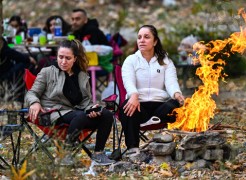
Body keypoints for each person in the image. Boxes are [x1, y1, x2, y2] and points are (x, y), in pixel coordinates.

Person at [25, 39, 115, 166]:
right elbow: (31, 93)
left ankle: (99, 153)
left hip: (75, 114)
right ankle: (66, 153)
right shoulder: (47, 72)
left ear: (75, 59)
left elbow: (86, 101)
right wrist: (35, 102)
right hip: (53, 112)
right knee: (80, 116)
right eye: (60, 57)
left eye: (68, 58)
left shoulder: (82, 75)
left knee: (106, 115)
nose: (63, 61)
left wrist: (92, 108)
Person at [119, 25, 185, 157]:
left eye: (146, 37)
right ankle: (133, 148)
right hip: (139, 105)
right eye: (139, 37)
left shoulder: (165, 61)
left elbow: (171, 82)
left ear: (155, 41)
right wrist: (134, 95)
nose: (141, 40)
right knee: (127, 107)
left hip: (160, 106)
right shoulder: (131, 60)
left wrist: (177, 94)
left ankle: (155, 119)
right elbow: (128, 81)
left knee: (174, 104)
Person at [0, 37, 37, 102]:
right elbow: (11, 53)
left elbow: (13, 54)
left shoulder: (2, 41)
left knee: (23, 64)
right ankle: (20, 98)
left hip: (6, 72)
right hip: (4, 76)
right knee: (26, 66)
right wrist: (28, 59)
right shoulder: (1, 42)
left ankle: (22, 96)